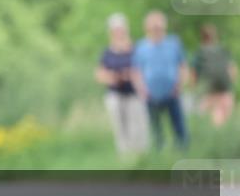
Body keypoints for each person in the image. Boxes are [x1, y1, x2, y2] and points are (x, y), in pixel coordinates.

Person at [131, 11, 189, 150]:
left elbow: (182, 66)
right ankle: (158, 154)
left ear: (164, 27)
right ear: (147, 28)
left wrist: (180, 85)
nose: (156, 29)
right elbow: (136, 71)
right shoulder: (141, 46)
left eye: (159, 26)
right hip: (151, 94)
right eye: (153, 26)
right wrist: (141, 89)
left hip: (172, 92)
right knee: (156, 128)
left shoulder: (174, 43)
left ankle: (182, 151)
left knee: (179, 126)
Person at [95, 13, 149, 155]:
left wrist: (131, 74)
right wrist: (113, 77)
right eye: (116, 30)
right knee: (120, 128)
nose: (119, 33)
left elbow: (144, 69)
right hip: (115, 94)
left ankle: (141, 157)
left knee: (137, 127)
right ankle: (125, 158)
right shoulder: (107, 52)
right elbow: (100, 74)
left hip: (134, 93)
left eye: (121, 29)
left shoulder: (136, 49)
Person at [192, 24, 237, 127]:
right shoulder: (222, 50)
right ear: (215, 36)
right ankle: (224, 137)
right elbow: (232, 70)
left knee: (210, 120)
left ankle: (214, 137)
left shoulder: (199, 53)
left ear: (202, 37)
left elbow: (194, 74)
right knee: (224, 120)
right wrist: (229, 84)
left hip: (208, 91)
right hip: (224, 90)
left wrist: (196, 88)